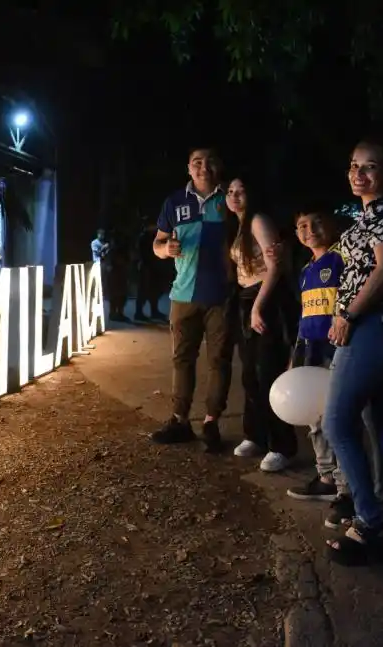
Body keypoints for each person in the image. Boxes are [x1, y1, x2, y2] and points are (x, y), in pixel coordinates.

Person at [322, 139, 383, 566]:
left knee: (337, 421)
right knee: (378, 421)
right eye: (354, 165)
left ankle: (369, 522)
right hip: (377, 325)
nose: (358, 174)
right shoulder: (366, 215)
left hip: (373, 325)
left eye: (370, 167)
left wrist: (348, 315)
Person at [150, 147, 235, 453]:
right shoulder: (174, 202)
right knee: (182, 359)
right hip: (183, 295)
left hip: (222, 295)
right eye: (197, 162)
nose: (203, 167)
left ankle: (211, 422)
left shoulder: (230, 199)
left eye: (210, 161)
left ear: (219, 166)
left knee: (219, 360)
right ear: (188, 168)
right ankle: (179, 420)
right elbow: (158, 243)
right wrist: (165, 250)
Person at [226, 177, 298, 472]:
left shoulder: (258, 220)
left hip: (265, 299)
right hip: (246, 298)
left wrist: (258, 307)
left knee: (268, 372)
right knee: (250, 374)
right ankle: (255, 435)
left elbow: (275, 267)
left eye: (241, 191)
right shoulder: (239, 225)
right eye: (230, 192)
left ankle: (282, 445)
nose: (234, 196)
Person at [283, 208, 348, 500]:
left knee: (338, 418)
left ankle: (346, 487)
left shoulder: (343, 258)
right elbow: (305, 316)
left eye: (316, 223)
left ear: (331, 224)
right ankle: (325, 477)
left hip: (338, 349)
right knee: (315, 417)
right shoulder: (306, 271)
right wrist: (295, 357)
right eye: (302, 225)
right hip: (311, 351)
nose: (309, 230)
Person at [134, 221, 166, 321]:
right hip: (146, 267)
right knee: (143, 289)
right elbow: (143, 253)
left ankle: (154, 311)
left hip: (153, 266)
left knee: (154, 289)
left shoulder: (152, 236)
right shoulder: (144, 237)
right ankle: (139, 312)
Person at [107, 226, 130, 322]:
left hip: (120, 270)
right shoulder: (115, 246)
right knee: (116, 293)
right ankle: (114, 313)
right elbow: (113, 258)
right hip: (116, 271)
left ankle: (118, 313)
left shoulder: (119, 245)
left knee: (120, 293)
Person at [91, 228, 113, 312]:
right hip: (97, 263)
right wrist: (104, 247)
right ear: (97, 234)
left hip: (105, 264)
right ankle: (97, 295)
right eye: (100, 234)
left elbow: (107, 255)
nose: (101, 236)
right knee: (98, 280)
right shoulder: (94, 243)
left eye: (103, 234)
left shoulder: (105, 243)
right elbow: (97, 253)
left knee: (105, 280)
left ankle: (104, 295)